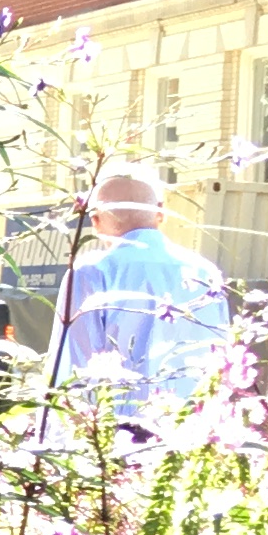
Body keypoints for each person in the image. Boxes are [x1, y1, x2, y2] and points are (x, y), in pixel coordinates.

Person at [55, 160, 230, 406]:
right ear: (160, 212)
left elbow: (72, 371)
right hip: (194, 429)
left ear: (95, 222)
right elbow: (222, 362)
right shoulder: (205, 272)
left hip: (116, 433)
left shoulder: (91, 272)